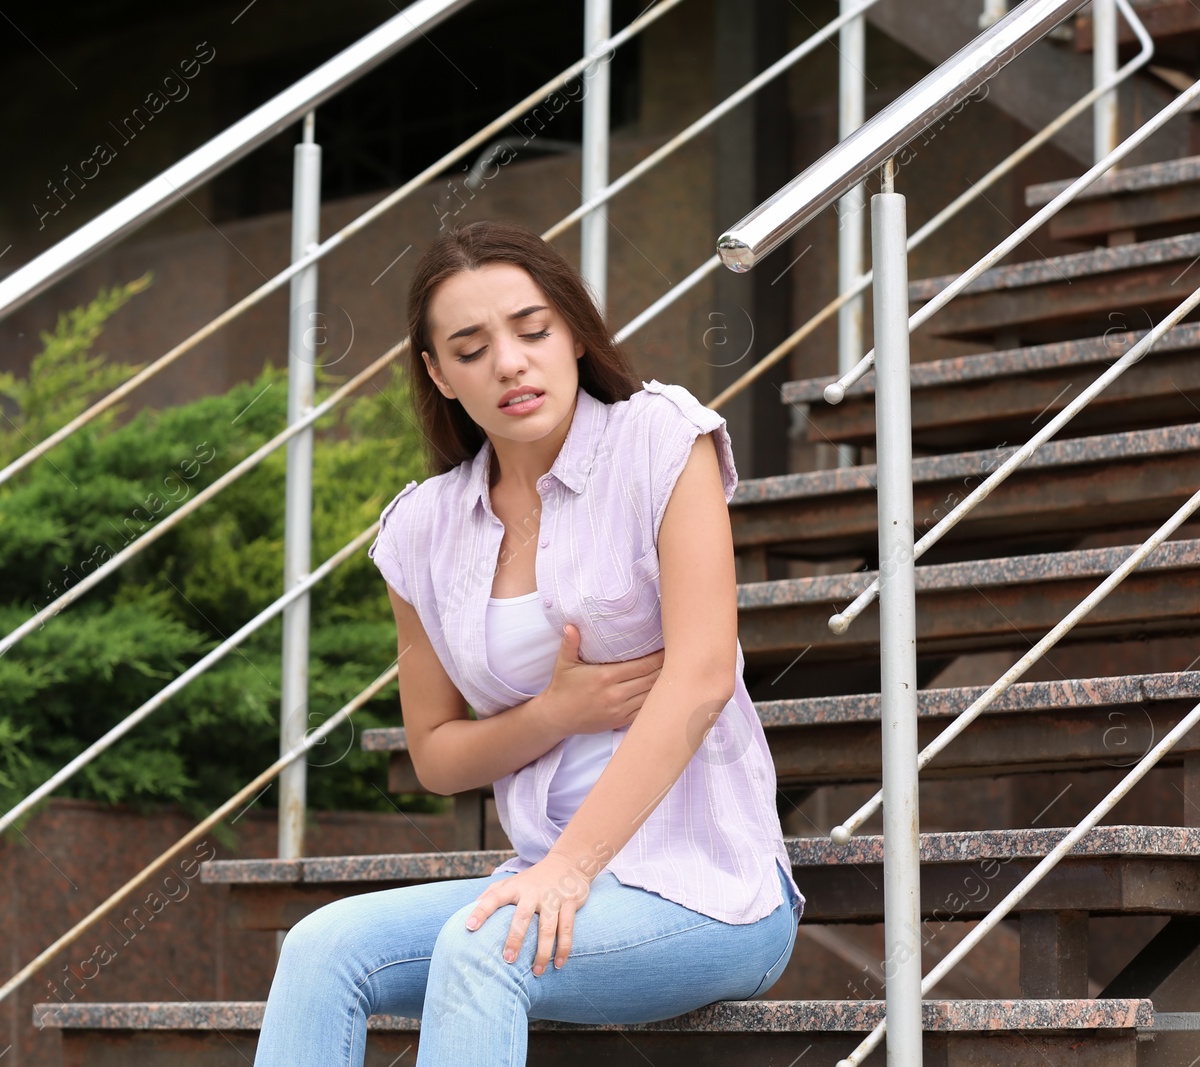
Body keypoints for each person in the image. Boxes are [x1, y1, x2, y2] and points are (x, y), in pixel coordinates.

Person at [251, 219, 804, 1067]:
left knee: (485, 952)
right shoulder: (423, 530)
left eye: (532, 329)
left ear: (575, 333)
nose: (509, 362)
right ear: (438, 374)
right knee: (322, 947)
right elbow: (436, 756)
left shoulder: (660, 441)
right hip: (545, 880)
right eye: (470, 348)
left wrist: (572, 870)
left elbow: (698, 681)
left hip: (708, 888)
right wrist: (552, 713)